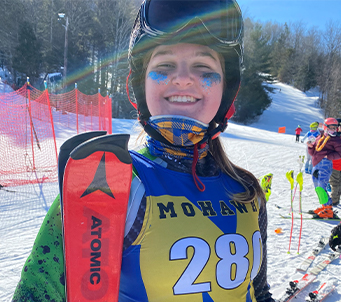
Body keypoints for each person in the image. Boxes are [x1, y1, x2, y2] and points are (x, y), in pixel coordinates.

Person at [13, 0, 274, 301]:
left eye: (204, 67)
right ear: (136, 86)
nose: (183, 78)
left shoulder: (246, 191)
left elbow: (258, 291)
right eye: (164, 65)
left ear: (229, 90)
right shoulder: (108, 183)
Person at [307, 117, 341, 218]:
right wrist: (310, 146)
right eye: (331, 127)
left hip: (325, 164)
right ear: (326, 127)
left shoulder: (336, 140)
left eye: (335, 128)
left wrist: (328, 156)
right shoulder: (320, 136)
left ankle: (328, 209)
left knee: (322, 186)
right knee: (317, 187)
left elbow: (339, 153)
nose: (333, 130)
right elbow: (313, 152)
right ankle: (324, 206)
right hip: (316, 164)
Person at [328, 118, 341, 206]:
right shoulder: (334, 136)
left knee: (335, 182)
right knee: (337, 182)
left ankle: (334, 200)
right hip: (335, 163)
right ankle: (336, 199)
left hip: (336, 164)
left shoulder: (336, 137)